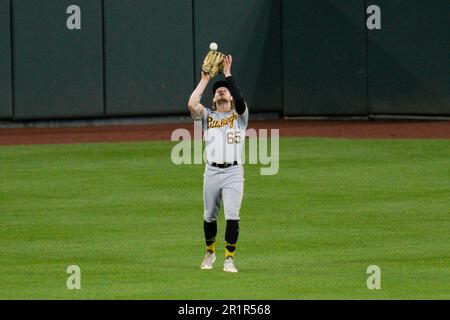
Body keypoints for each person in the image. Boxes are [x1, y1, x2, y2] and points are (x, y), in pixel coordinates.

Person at [188, 54, 248, 273]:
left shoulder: (240, 116)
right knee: (209, 216)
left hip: (233, 172)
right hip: (212, 171)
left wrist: (228, 75)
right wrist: (205, 79)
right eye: (217, 90)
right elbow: (192, 103)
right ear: (213, 99)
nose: (221, 90)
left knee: (232, 215)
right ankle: (210, 253)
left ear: (230, 98)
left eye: (225, 89)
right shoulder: (207, 115)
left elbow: (241, 100)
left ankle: (229, 258)